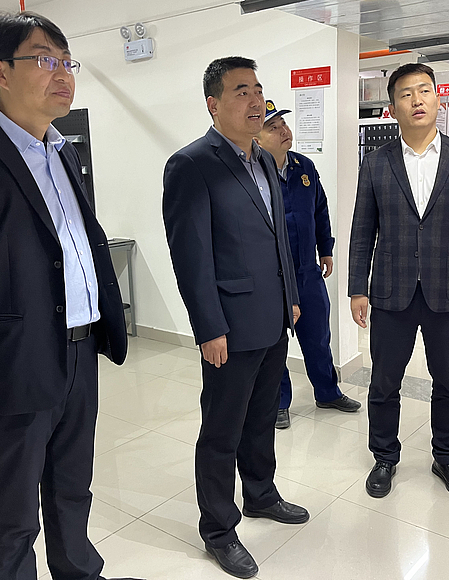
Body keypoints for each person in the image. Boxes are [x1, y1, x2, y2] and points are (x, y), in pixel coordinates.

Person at [0, 11, 138, 580]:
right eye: (44, 60)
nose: (62, 74)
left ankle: (78, 571)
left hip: (80, 350)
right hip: (12, 361)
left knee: (73, 485)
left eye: (67, 62)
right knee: (13, 509)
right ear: (0, 71)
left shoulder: (62, 151)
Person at [162, 57, 309, 579]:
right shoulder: (191, 164)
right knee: (221, 430)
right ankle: (219, 529)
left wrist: (291, 296)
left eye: (258, 89)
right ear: (214, 104)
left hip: (272, 317)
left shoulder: (263, 158)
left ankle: (261, 494)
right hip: (229, 323)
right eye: (241, 91)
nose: (255, 101)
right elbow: (191, 256)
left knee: (262, 416)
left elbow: (278, 235)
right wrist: (209, 327)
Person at [348, 63, 449, 501]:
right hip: (390, 290)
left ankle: (446, 457)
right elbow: (362, 229)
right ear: (393, 107)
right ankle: (384, 457)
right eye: (406, 93)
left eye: (424, 90)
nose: (417, 100)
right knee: (384, 381)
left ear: (437, 98)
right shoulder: (376, 162)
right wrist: (357, 287)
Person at [255, 100, 361, 429]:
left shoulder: (304, 167)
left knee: (318, 336)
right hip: (272, 277)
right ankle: (278, 402)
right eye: (273, 128)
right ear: (257, 137)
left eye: (283, 125)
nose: (284, 131)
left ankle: (327, 392)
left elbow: (320, 209)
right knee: (275, 342)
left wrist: (325, 249)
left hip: (307, 272)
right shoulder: (252, 173)